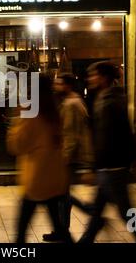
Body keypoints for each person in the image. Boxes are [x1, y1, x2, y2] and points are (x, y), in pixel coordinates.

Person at [78, 61, 136, 243]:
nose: (90, 78)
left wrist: (95, 166)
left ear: (103, 78)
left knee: (127, 212)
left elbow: (110, 137)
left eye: (94, 74)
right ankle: (86, 240)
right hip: (109, 168)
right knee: (97, 213)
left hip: (113, 168)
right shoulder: (107, 98)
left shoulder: (111, 101)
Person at [7, 74, 73, 244]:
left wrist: (15, 124)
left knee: (21, 230)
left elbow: (17, 145)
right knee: (59, 226)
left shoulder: (31, 112)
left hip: (37, 178)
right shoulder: (54, 109)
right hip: (54, 176)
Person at [43, 73, 95, 242]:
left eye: (59, 83)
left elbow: (71, 134)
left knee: (61, 195)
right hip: (69, 156)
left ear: (67, 85)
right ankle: (62, 229)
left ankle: (90, 211)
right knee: (62, 195)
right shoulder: (73, 102)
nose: (56, 86)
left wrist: (64, 158)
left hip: (69, 157)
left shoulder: (72, 104)